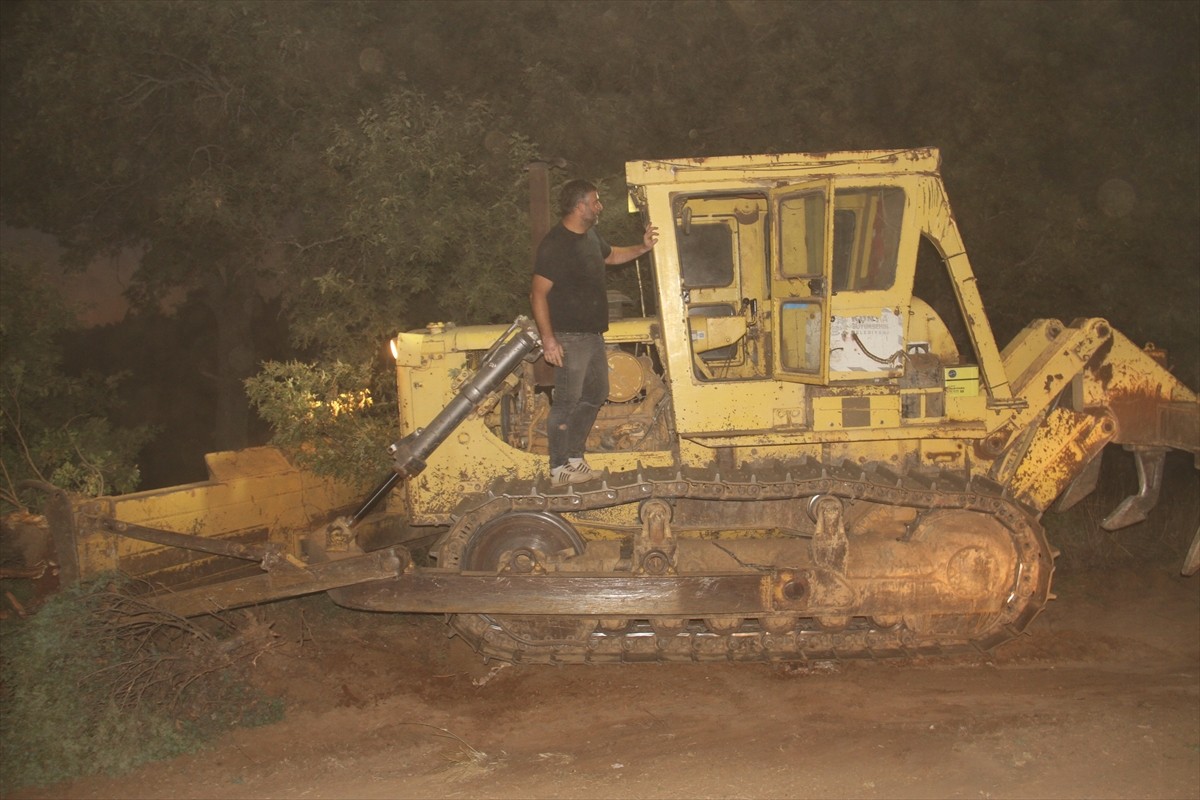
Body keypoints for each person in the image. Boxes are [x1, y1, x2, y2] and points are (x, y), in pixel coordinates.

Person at [530, 179, 658, 486]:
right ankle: (559, 467)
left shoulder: (590, 236)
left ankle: (574, 458)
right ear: (579, 206)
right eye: (595, 201)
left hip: (592, 334)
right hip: (569, 336)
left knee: (597, 393)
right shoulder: (555, 245)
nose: (599, 206)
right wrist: (549, 339)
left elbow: (611, 256)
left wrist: (644, 246)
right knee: (567, 401)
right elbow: (537, 294)